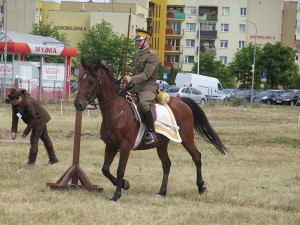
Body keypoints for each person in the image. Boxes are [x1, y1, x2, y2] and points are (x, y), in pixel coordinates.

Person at [124, 28, 160, 144]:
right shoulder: (139, 54)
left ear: (147, 40)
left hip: (148, 87)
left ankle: (151, 132)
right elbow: (136, 72)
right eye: (136, 41)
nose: (137, 43)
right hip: (136, 86)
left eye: (139, 41)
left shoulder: (152, 56)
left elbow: (146, 74)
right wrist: (126, 81)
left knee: (143, 104)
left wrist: (132, 78)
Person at [8, 89, 59, 165]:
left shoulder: (28, 103)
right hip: (35, 120)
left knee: (34, 140)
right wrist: (13, 131)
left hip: (39, 120)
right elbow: (15, 116)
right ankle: (53, 159)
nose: (12, 104)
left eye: (13, 102)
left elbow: (33, 119)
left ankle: (31, 163)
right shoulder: (15, 103)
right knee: (45, 137)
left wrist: (26, 132)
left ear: (17, 99)